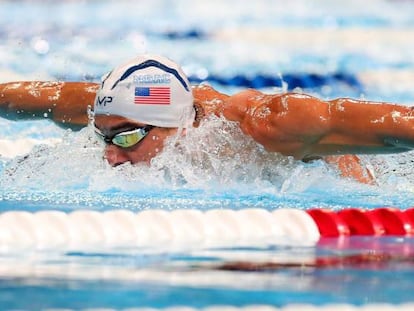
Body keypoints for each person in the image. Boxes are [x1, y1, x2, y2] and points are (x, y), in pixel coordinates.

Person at [0, 54, 413, 184]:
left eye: (124, 139)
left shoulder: (270, 125)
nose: (108, 157)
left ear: (178, 126)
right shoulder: (114, 110)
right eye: (102, 137)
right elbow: (39, 98)